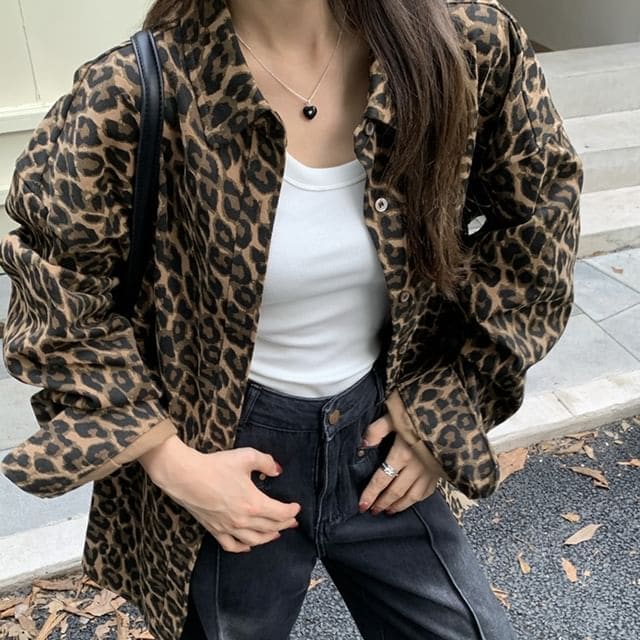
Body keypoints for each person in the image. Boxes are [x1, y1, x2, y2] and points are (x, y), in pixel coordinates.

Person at [0, 0, 582, 638]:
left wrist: (448, 407)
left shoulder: (465, 46)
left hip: (379, 429)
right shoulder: (135, 91)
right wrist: (172, 463)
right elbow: (56, 292)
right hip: (225, 450)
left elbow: (540, 223)